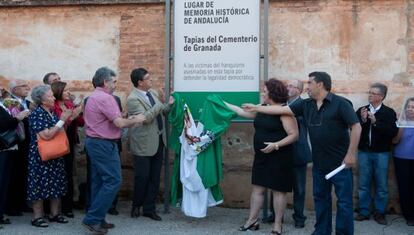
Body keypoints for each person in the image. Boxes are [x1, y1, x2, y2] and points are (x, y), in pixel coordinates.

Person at [243, 72, 361, 235]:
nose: (307, 87)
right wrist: (256, 107)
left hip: (340, 164)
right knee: (321, 201)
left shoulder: (341, 103)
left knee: (345, 203)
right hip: (319, 164)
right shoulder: (306, 104)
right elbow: (281, 109)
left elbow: (356, 126)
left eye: (310, 83)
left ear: (320, 84)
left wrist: (351, 154)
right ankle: (321, 232)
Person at [226, 79, 298, 235]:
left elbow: (294, 135)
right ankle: (252, 221)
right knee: (257, 189)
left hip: (280, 156)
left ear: (272, 93)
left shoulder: (284, 111)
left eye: (264, 91)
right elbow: (242, 112)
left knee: (279, 191)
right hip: (261, 157)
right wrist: (221, 103)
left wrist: (276, 145)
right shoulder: (262, 108)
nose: (262, 93)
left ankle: (277, 225)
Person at [82, 67, 145, 235]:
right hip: (103, 144)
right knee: (113, 181)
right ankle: (93, 218)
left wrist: (127, 120)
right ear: (105, 82)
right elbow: (119, 124)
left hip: (95, 143)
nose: (115, 84)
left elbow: (109, 121)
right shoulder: (106, 98)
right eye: (114, 81)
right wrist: (136, 119)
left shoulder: (93, 97)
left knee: (99, 182)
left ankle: (98, 219)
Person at [127, 68, 173, 221]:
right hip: (143, 144)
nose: (151, 80)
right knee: (142, 177)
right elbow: (145, 119)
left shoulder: (152, 93)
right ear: (140, 82)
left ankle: (149, 209)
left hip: (159, 140)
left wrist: (169, 102)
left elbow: (162, 111)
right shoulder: (132, 99)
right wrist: (160, 105)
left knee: (154, 178)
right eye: (148, 78)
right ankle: (136, 206)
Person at [27, 84, 72, 228]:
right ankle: (37, 217)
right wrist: (62, 120)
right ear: (41, 99)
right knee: (39, 185)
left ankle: (55, 214)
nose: (53, 97)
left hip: (55, 154)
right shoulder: (37, 113)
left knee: (56, 183)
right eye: (50, 96)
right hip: (40, 156)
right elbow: (46, 135)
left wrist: (62, 119)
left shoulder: (51, 112)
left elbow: (57, 131)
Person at [354, 83, 398, 225]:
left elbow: (392, 133)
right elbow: (354, 129)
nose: (370, 95)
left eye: (373, 93)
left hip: (382, 154)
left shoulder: (389, 112)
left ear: (381, 96)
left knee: (382, 185)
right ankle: (364, 211)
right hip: (364, 153)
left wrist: (375, 122)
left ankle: (380, 212)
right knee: (363, 184)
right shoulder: (361, 110)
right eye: (370, 92)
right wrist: (363, 120)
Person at [50, 81, 84, 218]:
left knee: (69, 174)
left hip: (70, 142)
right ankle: (54, 209)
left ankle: (67, 207)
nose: (69, 93)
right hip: (57, 143)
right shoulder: (53, 106)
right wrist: (75, 114)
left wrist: (79, 112)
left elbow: (81, 123)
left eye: (69, 90)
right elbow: (61, 124)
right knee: (57, 175)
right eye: (66, 90)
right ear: (58, 92)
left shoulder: (69, 105)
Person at [0, 85, 30, 229]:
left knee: (5, 181)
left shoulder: (3, 104)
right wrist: (18, 117)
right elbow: (3, 123)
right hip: (2, 148)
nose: (1, 90)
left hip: (8, 147)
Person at [6, 79, 32, 216]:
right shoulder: (8, 102)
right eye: (23, 86)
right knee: (13, 174)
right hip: (14, 142)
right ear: (15, 89)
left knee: (23, 172)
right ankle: (11, 206)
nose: (27, 88)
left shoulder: (28, 103)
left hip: (27, 142)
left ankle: (22, 203)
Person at [392, 97, 414, 226]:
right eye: (408, 107)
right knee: (405, 187)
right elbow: (395, 141)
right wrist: (401, 124)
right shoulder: (400, 122)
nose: (410, 109)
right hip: (402, 158)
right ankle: (409, 216)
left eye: (413, 107)